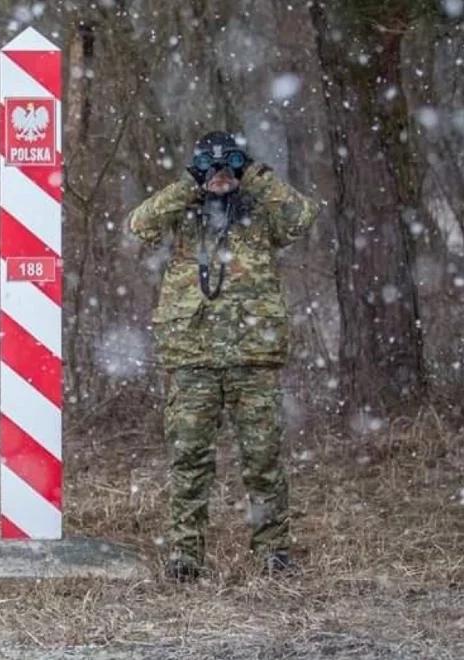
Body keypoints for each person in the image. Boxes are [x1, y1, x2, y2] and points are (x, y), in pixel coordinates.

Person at [126, 131, 320, 581]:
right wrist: (187, 184)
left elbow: (302, 217)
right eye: (210, 167)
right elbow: (139, 225)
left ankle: (273, 551)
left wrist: (253, 173)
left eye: (226, 165)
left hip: (253, 358)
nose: (219, 175)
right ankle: (185, 555)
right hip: (192, 358)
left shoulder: (260, 214)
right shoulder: (182, 215)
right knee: (190, 459)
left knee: (263, 458)